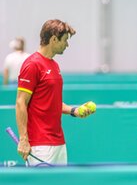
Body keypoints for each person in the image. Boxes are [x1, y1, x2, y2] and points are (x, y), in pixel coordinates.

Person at [16, 19, 95, 166]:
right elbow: (21, 102)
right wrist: (23, 139)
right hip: (40, 146)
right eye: (65, 40)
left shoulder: (54, 65)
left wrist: (74, 110)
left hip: (59, 143)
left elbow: (53, 103)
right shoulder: (32, 64)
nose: (67, 44)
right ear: (53, 39)